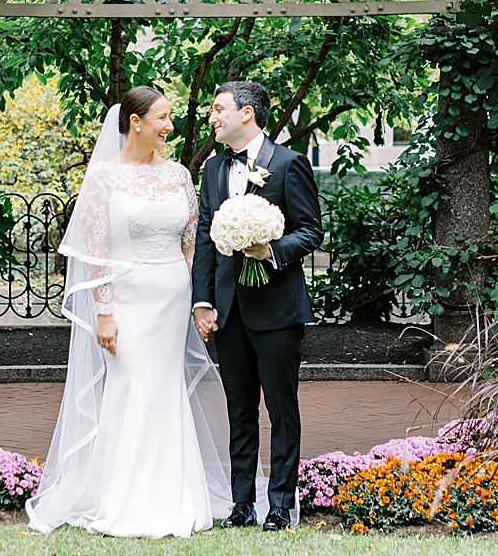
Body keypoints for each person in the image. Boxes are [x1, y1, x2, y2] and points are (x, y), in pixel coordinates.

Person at [26, 86, 237, 537]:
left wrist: (198, 300)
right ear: (135, 121)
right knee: (130, 387)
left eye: (170, 117)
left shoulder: (179, 174)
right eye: (162, 117)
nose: (170, 125)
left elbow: (190, 244)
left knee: (165, 389)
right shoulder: (103, 177)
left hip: (171, 298)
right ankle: (122, 499)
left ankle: (174, 495)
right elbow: (95, 249)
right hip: (125, 299)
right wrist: (103, 311)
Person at [192, 80, 324, 531]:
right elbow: (206, 243)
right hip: (228, 311)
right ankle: (241, 504)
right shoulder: (212, 169)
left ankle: (281, 505)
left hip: (277, 310)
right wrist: (202, 302)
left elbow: (311, 230)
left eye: (217, 109)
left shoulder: (289, 164)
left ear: (246, 113)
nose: (212, 118)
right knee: (239, 412)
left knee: (282, 412)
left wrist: (272, 251)